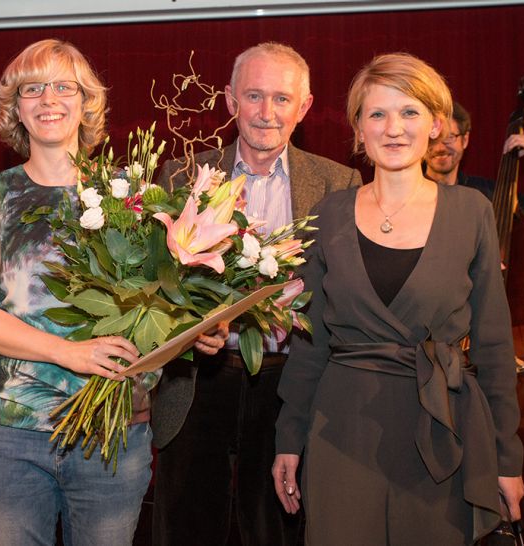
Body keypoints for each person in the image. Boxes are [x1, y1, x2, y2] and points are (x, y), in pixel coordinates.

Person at [0, 39, 222, 546]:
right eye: (33, 88)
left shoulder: (134, 195)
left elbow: (158, 306)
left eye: (63, 87)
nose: (48, 99)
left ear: (85, 102)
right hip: (11, 431)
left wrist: (199, 329)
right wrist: (69, 353)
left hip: (111, 433)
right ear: (16, 106)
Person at [273, 53, 524, 545]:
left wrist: (506, 458)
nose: (394, 128)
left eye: (410, 112)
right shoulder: (330, 214)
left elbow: (494, 347)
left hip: (440, 433)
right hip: (339, 428)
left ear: (435, 123)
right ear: (358, 128)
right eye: (378, 114)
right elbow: (310, 343)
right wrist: (288, 438)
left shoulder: (471, 212)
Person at [151, 42, 362, 546]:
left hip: (290, 390)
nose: (267, 113)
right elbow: (156, 287)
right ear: (229, 100)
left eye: (282, 99)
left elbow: (344, 300)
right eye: (253, 96)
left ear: (304, 107)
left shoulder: (340, 184)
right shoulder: (181, 176)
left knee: (279, 532)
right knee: (186, 529)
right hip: (197, 386)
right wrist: (191, 324)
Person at [425, 101, 524, 218]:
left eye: (448, 137)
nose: (439, 147)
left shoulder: (489, 194)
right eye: (432, 138)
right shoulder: (408, 194)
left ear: (465, 140)